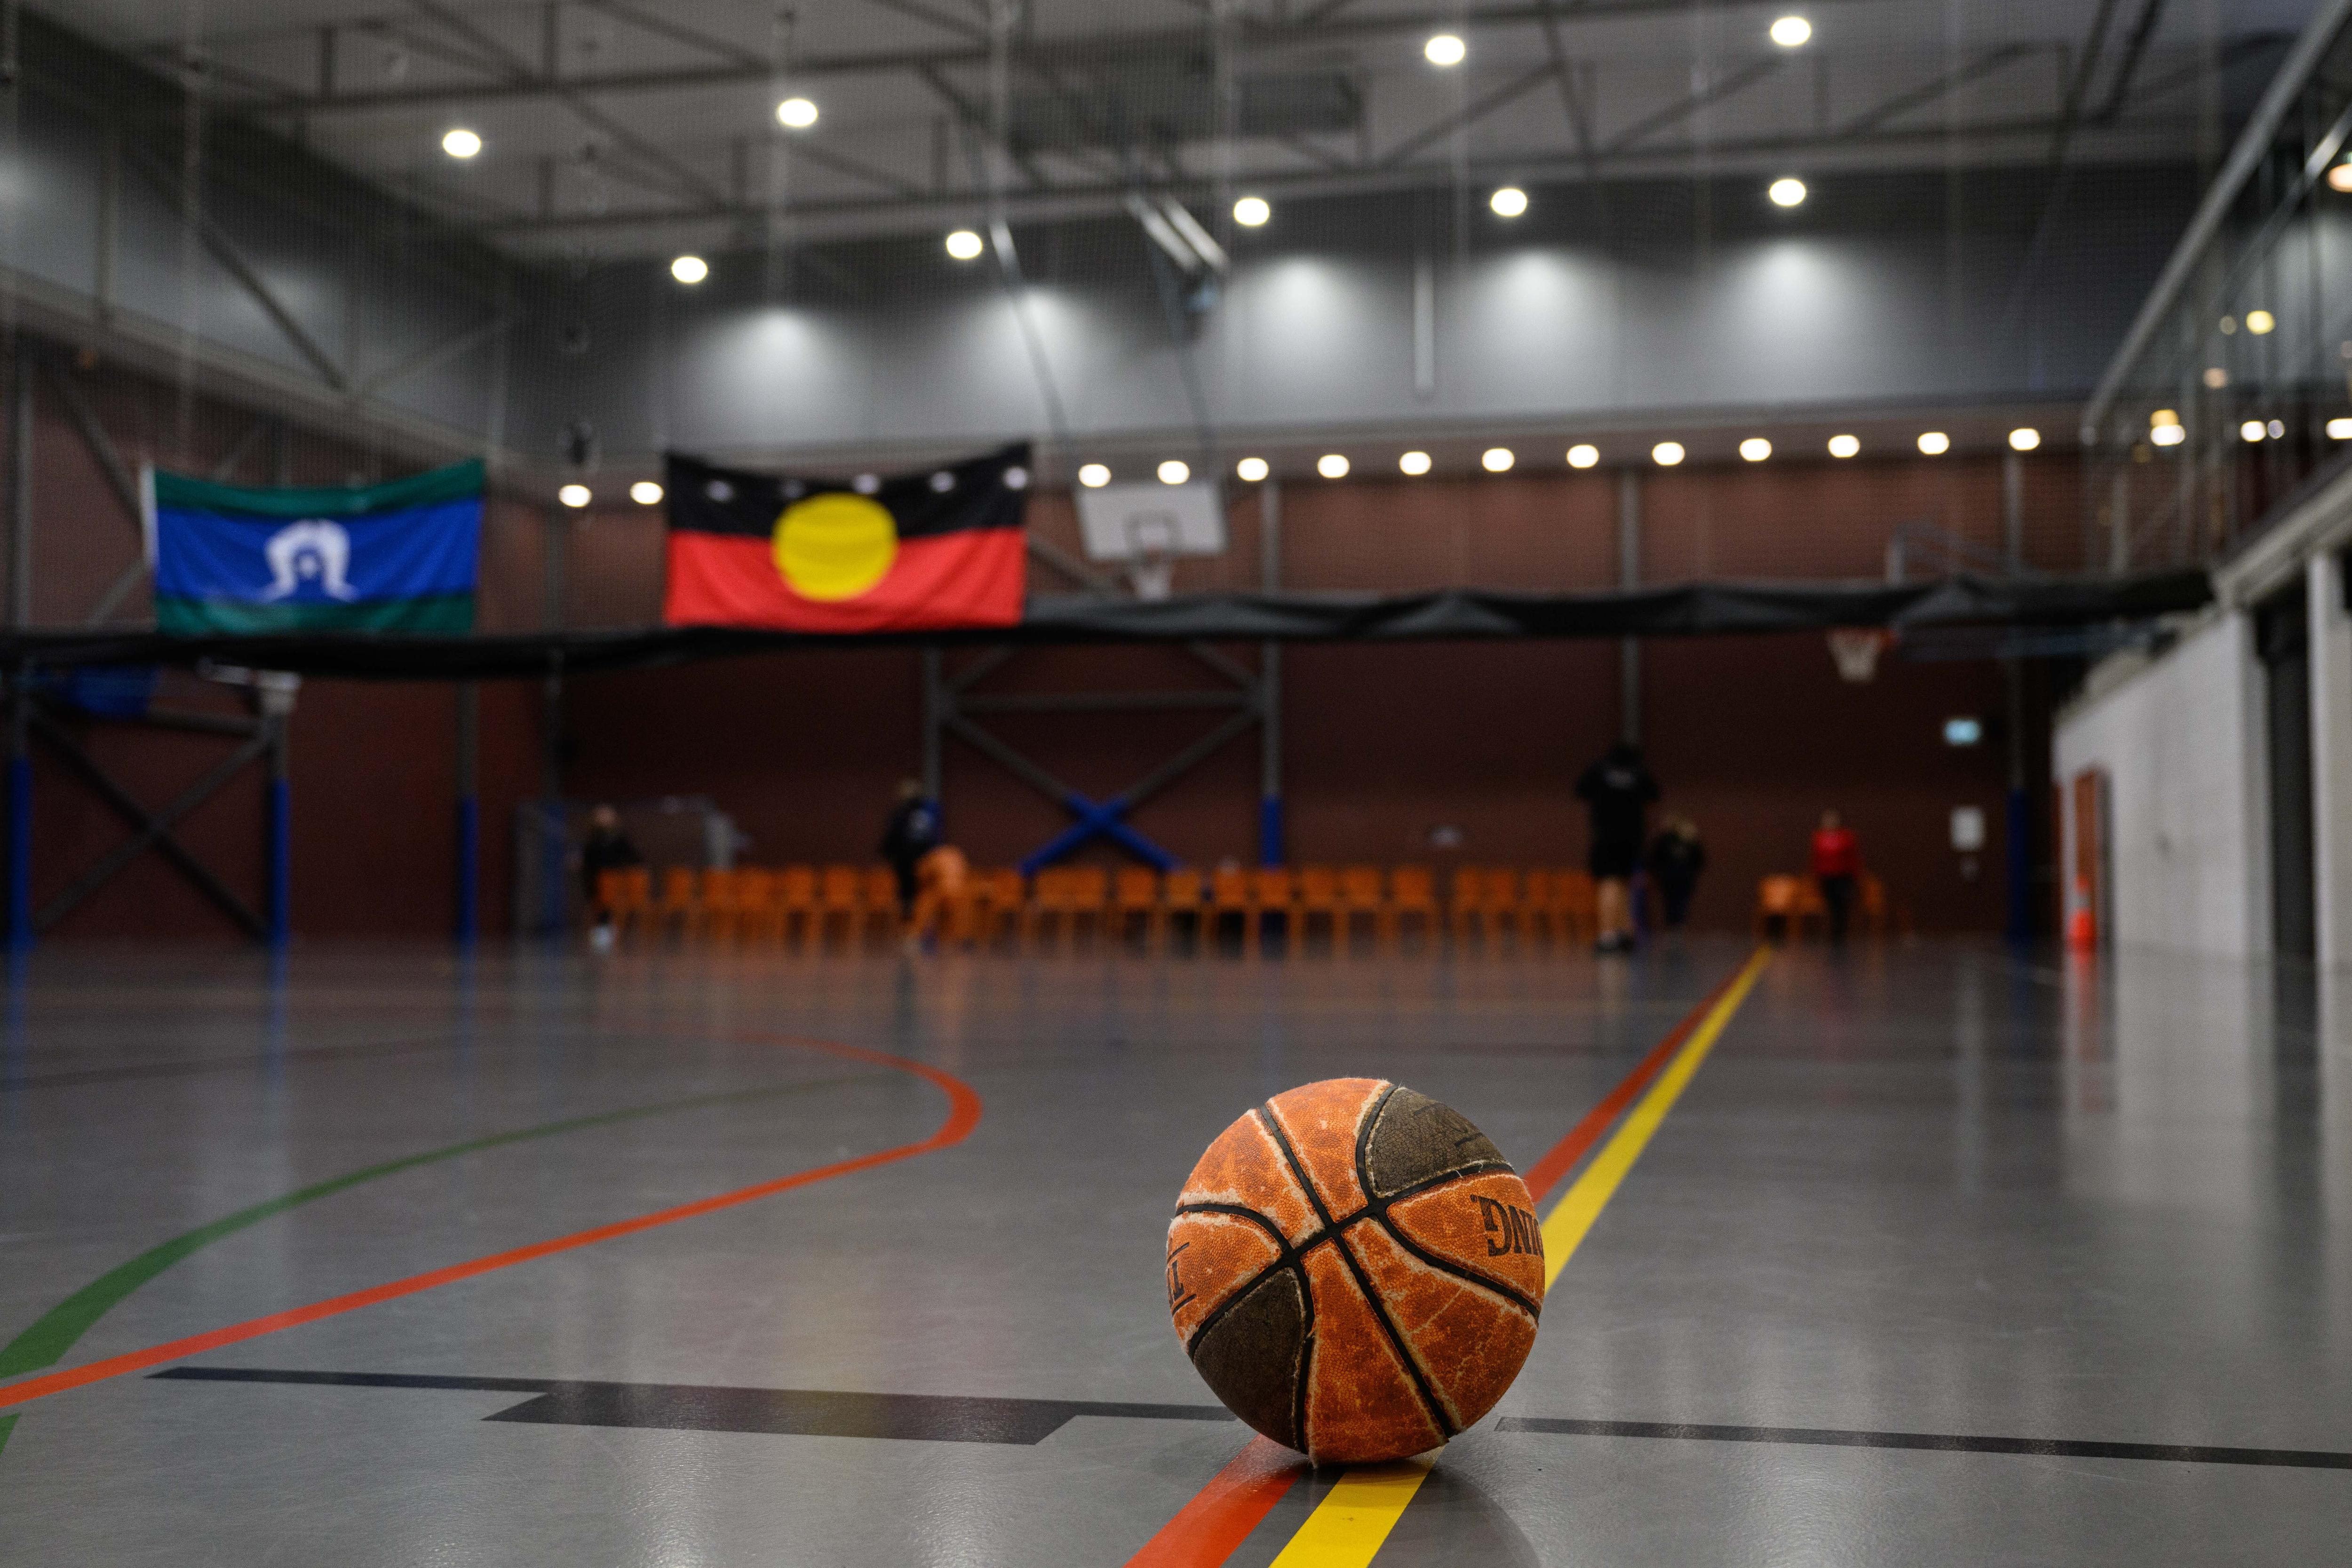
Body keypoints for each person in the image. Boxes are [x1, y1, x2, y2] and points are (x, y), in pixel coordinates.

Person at [1575, 740, 1660, 954]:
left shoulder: (1600, 769)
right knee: (1622, 882)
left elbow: (1580, 790)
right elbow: (1654, 794)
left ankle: (1608, 934)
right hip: (1631, 839)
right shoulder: (1637, 772)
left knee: (1608, 883)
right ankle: (1622, 931)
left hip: (1605, 837)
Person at [878, 779, 941, 928]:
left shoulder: (904, 813)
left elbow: (894, 836)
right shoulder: (924, 813)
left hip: (909, 862)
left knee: (911, 897)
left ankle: (913, 929)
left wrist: (886, 852)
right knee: (916, 898)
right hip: (920, 861)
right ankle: (915, 929)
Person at [580, 804, 643, 954]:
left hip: (615, 880)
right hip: (595, 878)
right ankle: (602, 927)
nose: (603, 819)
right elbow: (588, 860)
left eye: (606, 815)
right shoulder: (592, 840)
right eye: (600, 816)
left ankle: (612, 927)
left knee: (612, 901)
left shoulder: (619, 839)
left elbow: (633, 858)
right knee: (600, 901)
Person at [1646, 817, 1707, 935]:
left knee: (1681, 904)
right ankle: (1674, 927)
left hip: (1683, 879)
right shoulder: (1664, 840)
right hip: (1671, 879)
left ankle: (1678, 927)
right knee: (1672, 904)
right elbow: (1655, 859)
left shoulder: (1689, 841)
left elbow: (1699, 859)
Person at [1811, 809, 1863, 946]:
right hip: (1827, 878)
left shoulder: (1846, 837)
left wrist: (1855, 876)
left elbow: (1852, 859)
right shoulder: (1819, 838)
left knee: (1843, 905)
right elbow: (1816, 859)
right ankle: (1832, 932)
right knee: (1830, 905)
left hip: (1843, 878)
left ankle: (1841, 932)